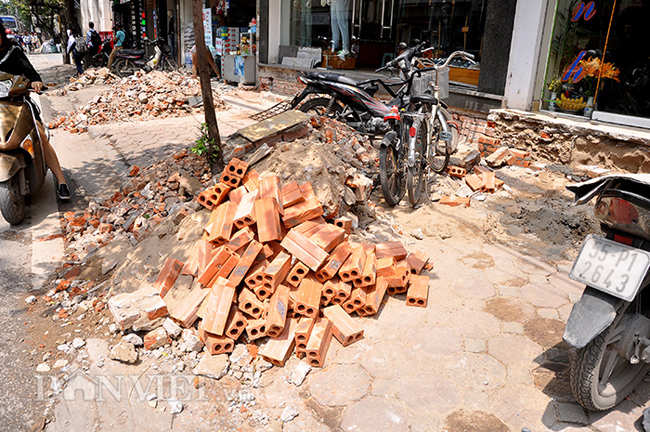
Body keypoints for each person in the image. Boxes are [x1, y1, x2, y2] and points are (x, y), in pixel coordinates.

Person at [0, 22, 71, 199]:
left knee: (39, 136)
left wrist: (35, 82)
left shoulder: (13, 52)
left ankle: (61, 182)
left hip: (18, 104)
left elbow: (32, 74)